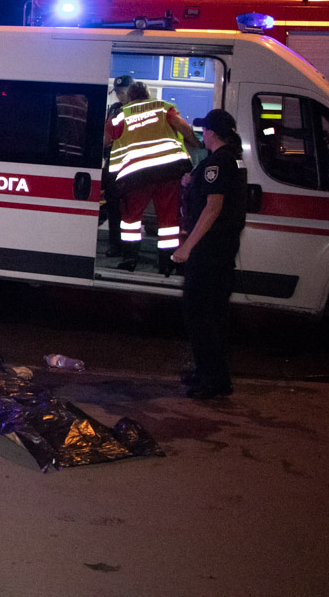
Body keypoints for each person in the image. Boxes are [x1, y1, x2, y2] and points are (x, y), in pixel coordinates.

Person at [172, 109, 248, 400]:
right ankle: (210, 373)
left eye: (204, 130)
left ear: (212, 133)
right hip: (222, 250)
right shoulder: (232, 160)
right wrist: (193, 182)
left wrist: (187, 247)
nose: (202, 134)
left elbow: (213, 208)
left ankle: (213, 381)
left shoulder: (218, 162)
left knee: (200, 315)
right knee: (214, 315)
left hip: (208, 251)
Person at [105, 82, 200, 273]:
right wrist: (198, 144)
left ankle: (130, 259)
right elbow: (184, 129)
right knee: (168, 219)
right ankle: (166, 263)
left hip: (136, 175)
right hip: (168, 172)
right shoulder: (163, 108)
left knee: (131, 218)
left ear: (130, 97)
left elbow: (106, 138)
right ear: (148, 95)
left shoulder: (122, 114)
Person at [102, 75, 134, 257]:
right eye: (118, 92)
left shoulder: (138, 109)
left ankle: (128, 250)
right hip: (113, 165)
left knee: (129, 210)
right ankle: (116, 245)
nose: (120, 95)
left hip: (132, 166)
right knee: (113, 207)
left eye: (123, 92)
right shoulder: (114, 109)